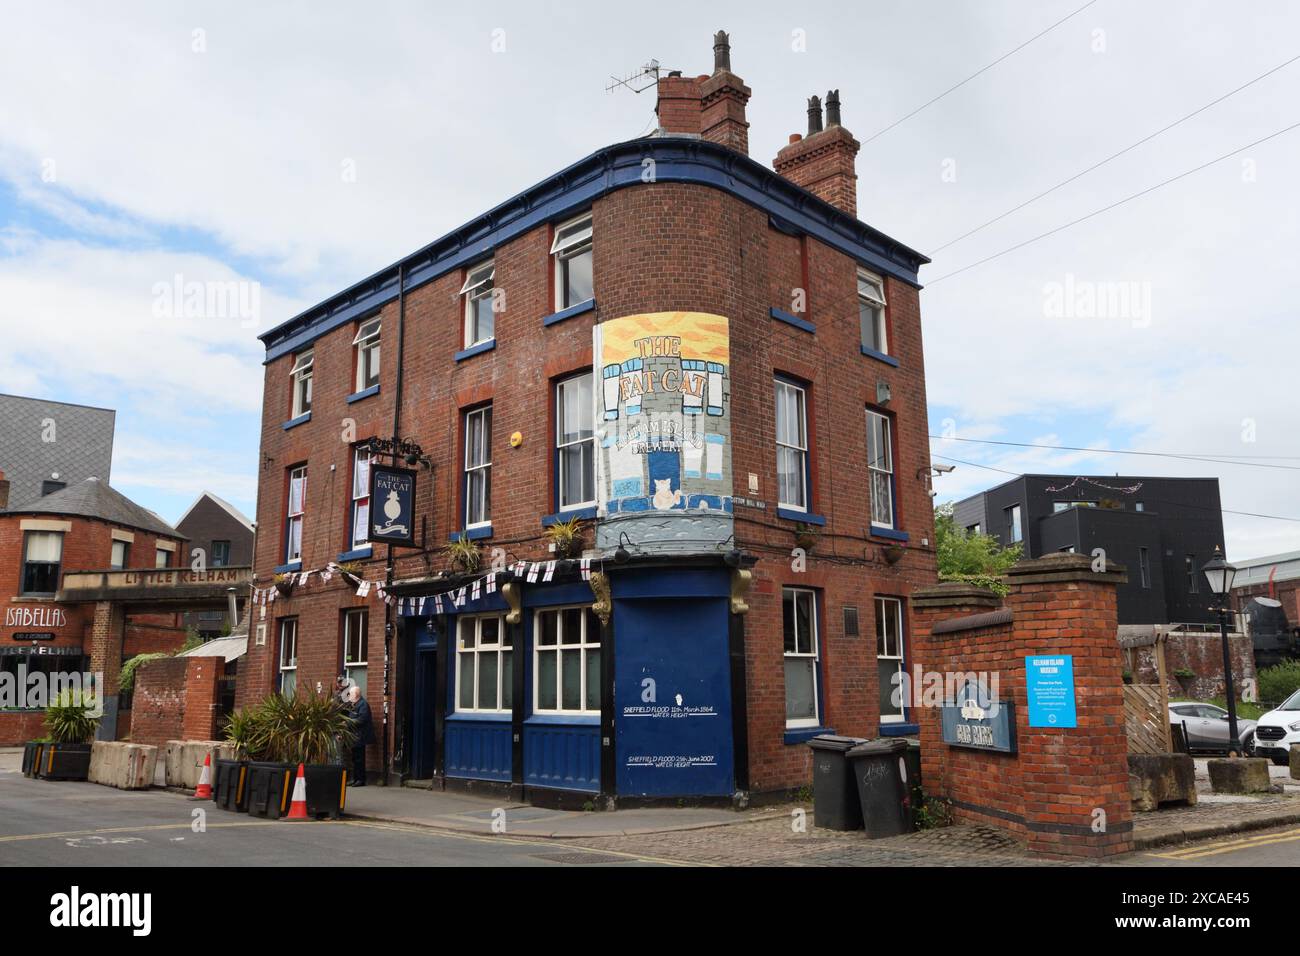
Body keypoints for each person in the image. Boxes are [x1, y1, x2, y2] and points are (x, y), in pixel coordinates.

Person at [345, 685, 374, 787]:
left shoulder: (363, 705)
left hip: (360, 736)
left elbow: (362, 720)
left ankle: (360, 779)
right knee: (355, 758)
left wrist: (348, 723)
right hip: (355, 736)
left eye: (351, 694)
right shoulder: (354, 704)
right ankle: (355, 778)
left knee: (359, 759)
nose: (349, 696)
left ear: (356, 694)